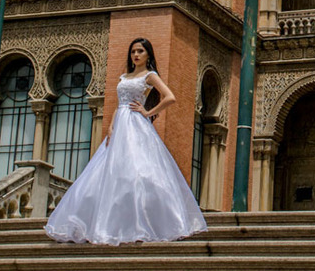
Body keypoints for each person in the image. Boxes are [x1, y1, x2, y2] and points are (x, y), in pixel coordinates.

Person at [45, 37, 207, 245]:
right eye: (133, 52)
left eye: (140, 51)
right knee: (110, 172)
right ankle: (105, 224)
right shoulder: (125, 76)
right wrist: (111, 126)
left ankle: (141, 223)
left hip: (136, 125)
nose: (136, 55)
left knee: (138, 172)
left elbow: (170, 97)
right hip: (120, 124)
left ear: (148, 54)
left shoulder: (150, 75)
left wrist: (148, 112)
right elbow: (119, 104)